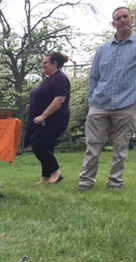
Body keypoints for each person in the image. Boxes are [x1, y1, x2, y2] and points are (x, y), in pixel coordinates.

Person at [78, 6, 136, 190]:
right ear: (113, 24)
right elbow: (94, 77)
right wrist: (92, 99)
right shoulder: (102, 49)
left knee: (121, 148)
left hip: (126, 104)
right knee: (92, 146)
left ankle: (115, 182)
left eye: (125, 17)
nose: (122, 21)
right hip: (99, 104)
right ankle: (86, 182)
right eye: (118, 18)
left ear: (132, 19)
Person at [24, 52, 71, 184]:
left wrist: (43, 116)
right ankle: (46, 177)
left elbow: (59, 99)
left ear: (54, 64)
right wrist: (33, 106)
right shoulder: (51, 79)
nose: (42, 65)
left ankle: (56, 172)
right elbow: (46, 97)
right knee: (47, 146)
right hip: (47, 120)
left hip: (54, 120)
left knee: (38, 144)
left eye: (45, 63)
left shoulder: (60, 79)